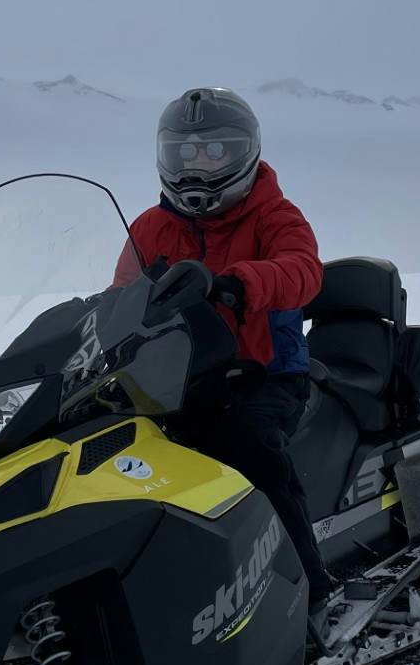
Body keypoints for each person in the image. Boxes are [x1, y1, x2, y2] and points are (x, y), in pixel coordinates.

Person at [120, 86, 335, 620]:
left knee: (247, 444)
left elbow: (303, 271)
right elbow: (118, 296)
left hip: (264, 374)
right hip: (176, 378)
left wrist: (239, 284)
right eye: (185, 152)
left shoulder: (273, 215)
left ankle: (310, 589)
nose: (198, 164)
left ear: (244, 152)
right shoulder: (151, 226)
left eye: (215, 150)